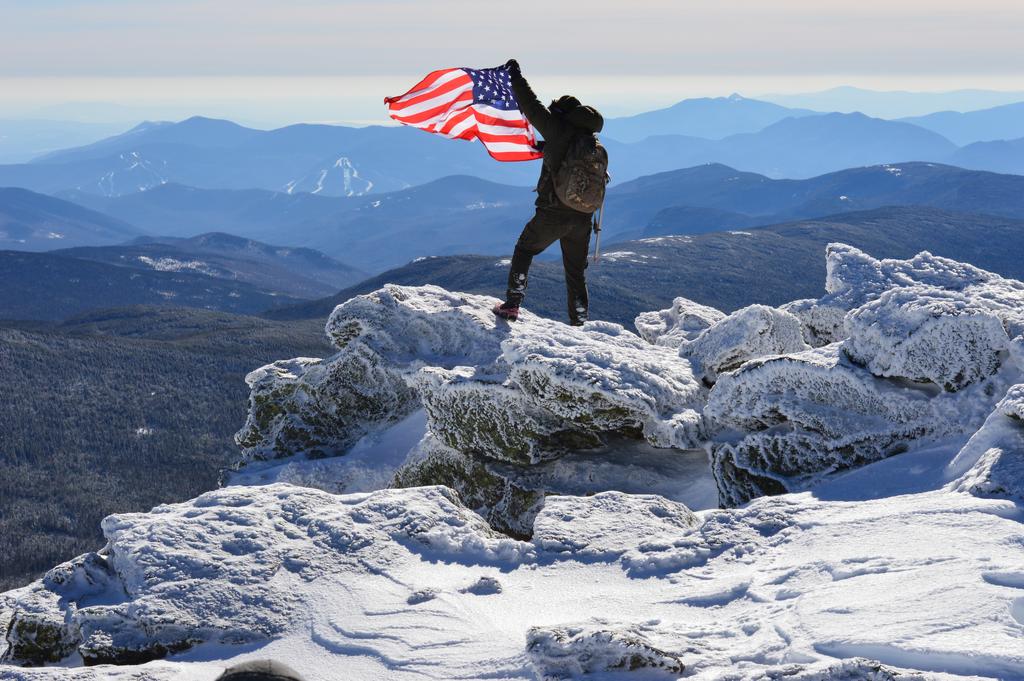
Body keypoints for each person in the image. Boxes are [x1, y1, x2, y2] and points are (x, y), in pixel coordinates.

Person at [493, 59, 606, 327]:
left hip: (553, 213)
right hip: (582, 218)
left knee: (524, 250)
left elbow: (530, 105)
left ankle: (512, 304)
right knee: (575, 272)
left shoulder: (557, 130)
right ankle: (579, 321)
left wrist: (515, 75)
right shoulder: (591, 142)